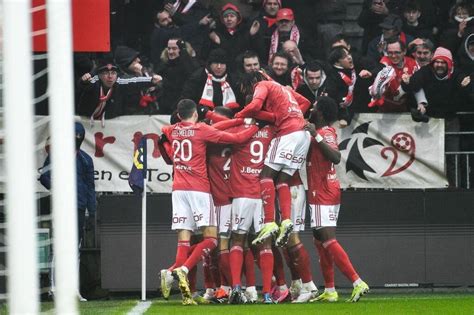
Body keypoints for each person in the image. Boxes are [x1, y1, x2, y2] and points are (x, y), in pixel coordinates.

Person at [160, 99, 258, 305]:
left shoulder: (171, 130)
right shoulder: (202, 131)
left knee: (184, 239)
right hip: (199, 190)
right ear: (195, 115)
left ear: (179, 115)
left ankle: (181, 287)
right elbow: (237, 138)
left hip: (178, 190)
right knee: (212, 239)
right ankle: (181, 269)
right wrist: (253, 126)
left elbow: (165, 132)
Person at [304, 96, 370, 303]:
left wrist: (316, 135)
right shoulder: (324, 132)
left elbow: (336, 157)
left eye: (314, 107)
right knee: (319, 240)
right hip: (326, 189)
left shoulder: (324, 132)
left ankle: (357, 281)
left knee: (328, 239)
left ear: (321, 113)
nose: (312, 109)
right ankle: (330, 290)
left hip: (322, 191)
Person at [235, 71, 311, 248]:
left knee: (266, 177)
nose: (250, 93)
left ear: (252, 82)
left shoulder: (262, 85)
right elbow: (304, 103)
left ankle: (269, 222)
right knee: (282, 180)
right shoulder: (284, 89)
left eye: (247, 89)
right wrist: (293, 118)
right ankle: (285, 220)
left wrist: (240, 114)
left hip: (288, 134)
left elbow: (254, 106)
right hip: (303, 135)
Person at [39, 121, 96, 302]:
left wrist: (91, 209)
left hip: (78, 208)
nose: (76, 139)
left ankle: (74, 290)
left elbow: (90, 186)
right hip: (61, 206)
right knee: (59, 247)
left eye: (79, 136)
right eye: (74, 136)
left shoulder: (86, 159)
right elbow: (44, 176)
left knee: (75, 248)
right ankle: (55, 289)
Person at [76, 58, 162, 126]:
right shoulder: (94, 81)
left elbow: (134, 81)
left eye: (113, 73)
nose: (110, 77)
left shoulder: (118, 81)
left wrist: (150, 80)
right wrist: (83, 81)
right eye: (106, 73)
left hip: (108, 123)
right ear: (100, 75)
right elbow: (84, 85)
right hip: (85, 121)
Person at [368, 38, 419, 111]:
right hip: (387, 107)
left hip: (407, 107)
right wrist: (372, 74)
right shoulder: (385, 61)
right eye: (390, 53)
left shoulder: (412, 63)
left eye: (397, 52)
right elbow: (380, 69)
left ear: (404, 51)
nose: (393, 56)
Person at [155, 38, 200, 114]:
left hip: (184, 108)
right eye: (169, 49)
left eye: (174, 48)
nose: (170, 52)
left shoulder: (192, 65)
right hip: (165, 108)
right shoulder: (163, 65)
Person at [114, 45, 160, 115]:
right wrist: (149, 79)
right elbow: (131, 82)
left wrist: (143, 73)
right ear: (127, 62)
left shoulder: (142, 71)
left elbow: (159, 82)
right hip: (128, 117)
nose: (139, 60)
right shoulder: (118, 77)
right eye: (135, 59)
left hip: (147, 115)